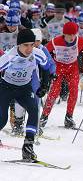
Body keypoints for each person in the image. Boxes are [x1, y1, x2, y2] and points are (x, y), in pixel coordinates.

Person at [0, 29, 51, 160]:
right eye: (25, 45)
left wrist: (44, 86)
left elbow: (46, 68)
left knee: (34, 111)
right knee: (2, 119)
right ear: (18, 45)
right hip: (6, 87)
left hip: (24, 88)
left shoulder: (38, 54)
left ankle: (28, 146)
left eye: (31, 44)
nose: (29, 48)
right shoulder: (9, 56)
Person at [40, 22, 83, 132]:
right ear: (64, 34)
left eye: (74, 34)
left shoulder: (80, 41)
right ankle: (44, 117)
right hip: (58, 67)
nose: (72, 37)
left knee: (73, 91)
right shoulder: (56, 41)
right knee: (54, 91)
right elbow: (44, 50)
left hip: (73, 67)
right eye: (69, 35)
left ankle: (69, 117)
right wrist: (47, 62)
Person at [12, 29, 56, 136]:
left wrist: (52, 73)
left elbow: (49, 63)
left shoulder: (41, 49)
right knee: (19, 101)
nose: (35, 44)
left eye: (37, 41)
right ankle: (18, 123)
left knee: (35, 100)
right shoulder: (21, 49)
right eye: (33, 41)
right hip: (21, 78)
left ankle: (35, 125)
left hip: (34, 78)